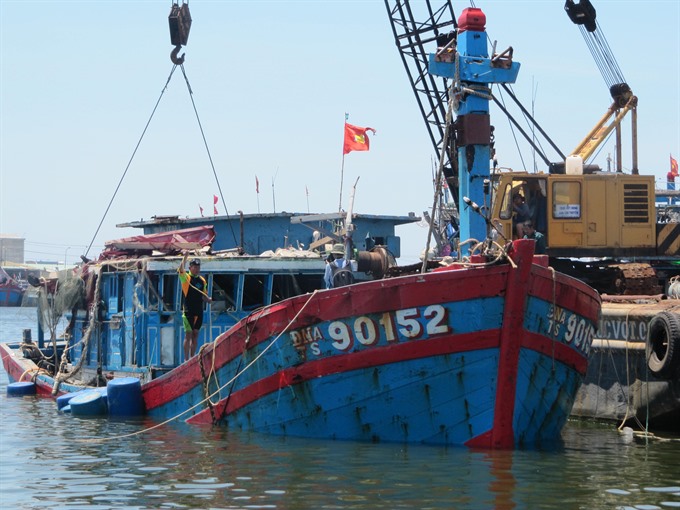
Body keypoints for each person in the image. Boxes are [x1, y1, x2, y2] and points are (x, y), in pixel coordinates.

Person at [178, 253, 212, 361]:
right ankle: (186, 359)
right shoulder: (186, 278)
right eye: (195, 267)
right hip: (188, 310)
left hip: (199, 310)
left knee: (195, 334)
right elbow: (180, 269)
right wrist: (185, 257)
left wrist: (208, 300)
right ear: (190, 268)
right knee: (188, 334)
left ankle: (193, 358)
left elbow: (203, 295)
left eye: (198, 267)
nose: (197, 269)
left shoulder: (202, 280)